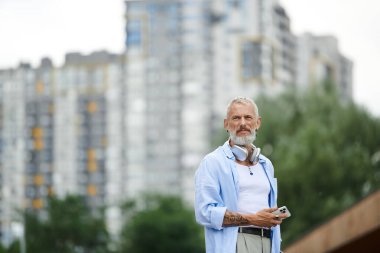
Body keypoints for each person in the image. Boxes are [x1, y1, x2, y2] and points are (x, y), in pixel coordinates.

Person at [194, 97, 286, 253]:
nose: (243, 123)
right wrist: (252, 219)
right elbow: (205, 213)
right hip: (234, 244)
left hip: (269, 244)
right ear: (226, 124)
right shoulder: (212, 162)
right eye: (236, 118)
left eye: (248, 117)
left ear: (258, 123)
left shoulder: (266, 164)